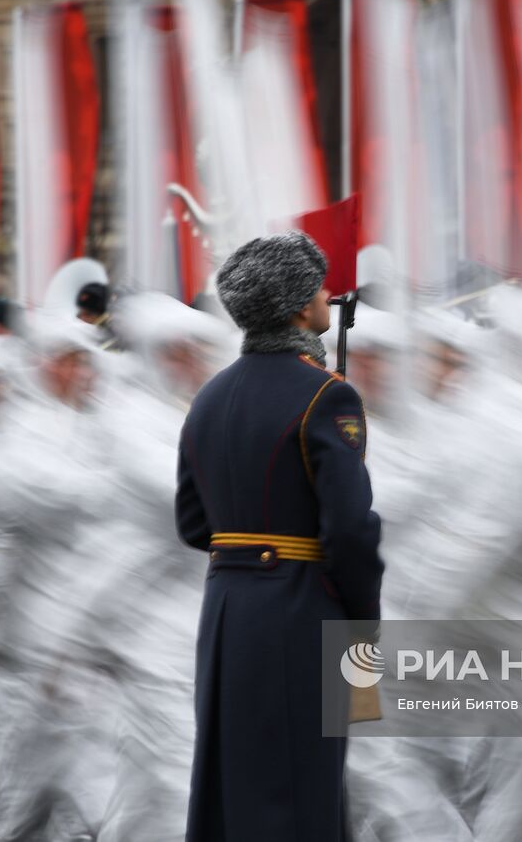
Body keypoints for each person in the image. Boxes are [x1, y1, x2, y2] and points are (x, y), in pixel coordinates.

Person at [175, 231, 383, 842]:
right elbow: (351, 532)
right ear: (298, 305)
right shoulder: (327, 394)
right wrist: (360, 632)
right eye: (318, 284)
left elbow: (193, 524)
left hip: (227, 614)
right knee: (303, 791)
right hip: (302, 613)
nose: (327, 294)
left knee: (233, 785)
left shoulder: (207, 399)